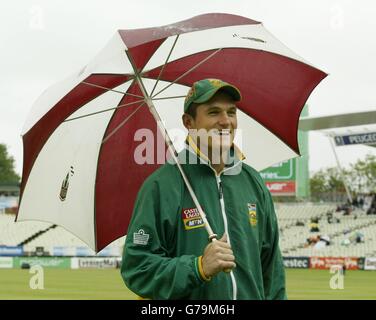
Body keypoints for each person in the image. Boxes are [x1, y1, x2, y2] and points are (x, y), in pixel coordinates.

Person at [121, 79, 287, 300]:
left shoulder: (252, 181)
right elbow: (138, 268)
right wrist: (198, 267)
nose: (225, 121)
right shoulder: (161, 185)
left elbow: (272, 269)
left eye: (231, 112)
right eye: (213, 112)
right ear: (189, 122)